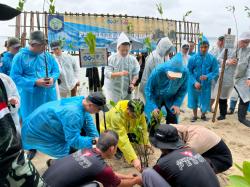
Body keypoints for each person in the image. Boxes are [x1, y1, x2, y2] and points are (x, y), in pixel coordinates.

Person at [0, 3, 45, 187]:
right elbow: (16, 77)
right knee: (26, 120)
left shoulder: (44, 56)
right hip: (27, 94)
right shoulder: (16, 58)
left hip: (33, 96)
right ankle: (30, 145)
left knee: (34, 120)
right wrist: (34, 82)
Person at [21, 92, 108, 158]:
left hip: (39, 122)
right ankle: (55, 165)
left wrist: (96, 140)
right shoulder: (74, 114)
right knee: (69, 156)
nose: (99, 111)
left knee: (81, 139)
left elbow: (88, 123)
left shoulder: (82, 101)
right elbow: (74, 141)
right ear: (91, 105)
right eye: (99, 109)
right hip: (36, 132)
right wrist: (93, 141)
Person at [43, 130, 142, 187]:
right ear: (112, 148)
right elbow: (119, 184)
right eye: (117, 147)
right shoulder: (101, 167)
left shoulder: (85, 151)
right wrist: (136, 180)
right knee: (95, 185)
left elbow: (109, 174)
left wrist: (129, 177)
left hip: (42, 182)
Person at [142, 125, 220, 187]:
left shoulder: (164, 162)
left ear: (159, 145)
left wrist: (138, 180)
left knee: (147, 173)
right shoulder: (192, 152)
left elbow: (154, 177)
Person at [10, 31, 60, 121]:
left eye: (45, 45)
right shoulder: (20, 57)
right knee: (31, 122)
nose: (44, 47)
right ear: (33, 44)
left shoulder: (48, 56)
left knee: (49, 121)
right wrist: (34, 82)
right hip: (30, 98)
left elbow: (56, 71)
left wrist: (53, 78)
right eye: (41, 45)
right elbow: (15, 77)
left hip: (48, 96)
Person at [100, 99, 149, 172]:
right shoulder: (116, 115)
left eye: (138, 116)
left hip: (126, 128)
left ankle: (124, 150)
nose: (136, 118)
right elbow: (122, 139)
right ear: (127, 109)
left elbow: (143, 127)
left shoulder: (137, 110)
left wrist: (146, 142)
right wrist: (133, 158)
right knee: (116, 142)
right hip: (109, 129)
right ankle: (118, 150)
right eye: (134, 116)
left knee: (133, 139)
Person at [144, 53, 188, 124]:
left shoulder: (185, 73)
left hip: (171, 98)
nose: (173, 78)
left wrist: (177, 103)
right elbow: (148, 90)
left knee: (173, 119)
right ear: (167, 70)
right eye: (171, 75)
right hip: (155, 97)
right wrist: (153, 106)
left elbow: (183, 90)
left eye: (176, 76)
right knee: (153, 119)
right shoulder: (157, 72)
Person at [187, 36, 219, 122]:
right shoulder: (192, 58)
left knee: (205, 99)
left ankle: (203, 115)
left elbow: (215, 71)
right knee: (194, 99)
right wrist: (194, 82)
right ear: (199, 47)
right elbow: (189, 71)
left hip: (206, 84)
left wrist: (207, 76)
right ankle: (194, 115)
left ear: (208, 47)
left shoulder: (212, 59)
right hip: (194, 84)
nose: (204, 49)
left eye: (205, 47)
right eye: (202, 47)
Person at [103, 32, 140, 103]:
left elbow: (136, 74)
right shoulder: (112, 58)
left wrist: (132, 84)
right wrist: (120, 73)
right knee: (114, 109)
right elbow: (107, 73)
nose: (125, 52)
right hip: (113, 91)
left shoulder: (132, 59)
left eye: (127, 50)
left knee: (127, 109)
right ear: (118, 48)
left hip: (127, 90)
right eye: (122, 50)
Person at [234, 31, 250, 127]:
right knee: (223, 96)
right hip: (230, 76)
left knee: (246, 96)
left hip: (242, 77)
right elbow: (220, 59)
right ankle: (241, 117)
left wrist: (249, 77)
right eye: (244, 41)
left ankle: (241, 117)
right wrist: (228, 61)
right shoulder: (233, 48)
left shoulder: (248, 50)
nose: (245, 44)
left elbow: (249, 66)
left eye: (247, 42)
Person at [210, 36, 225, 112]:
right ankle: (209, 106)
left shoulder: (225, 49)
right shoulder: (214, 49)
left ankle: (210, 106)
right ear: (217, 41)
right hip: (213, 73)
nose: (221, 42)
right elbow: (210, 60)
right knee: (213, 91)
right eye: (220, 41)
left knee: (218, 91)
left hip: (221, 72)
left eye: (222, 41)